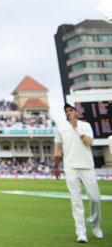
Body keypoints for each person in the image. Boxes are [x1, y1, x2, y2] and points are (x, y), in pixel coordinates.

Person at [53, 104, 104, 243]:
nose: (69, 113)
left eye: (71, 110)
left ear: (76, 112)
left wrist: (77, 128)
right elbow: (58, 148)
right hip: (70, 167)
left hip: (87, 166)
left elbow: (89, 142)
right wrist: (56, 166)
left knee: (95, 199)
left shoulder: (85, 125)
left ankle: (95, 223)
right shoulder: (61, 128)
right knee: (76, 202)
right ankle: (81, 233)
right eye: (66, 111)